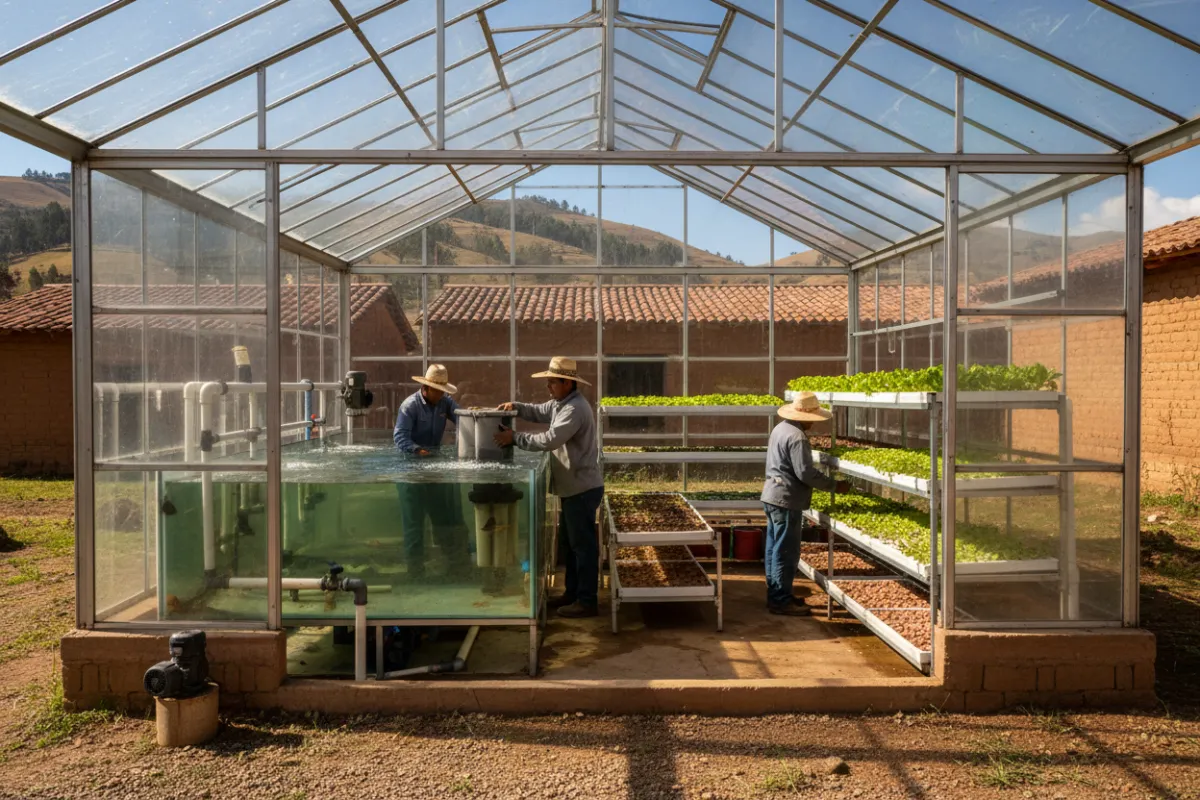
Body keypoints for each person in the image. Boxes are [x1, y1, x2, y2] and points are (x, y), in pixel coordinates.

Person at [493, 357, 604, 619]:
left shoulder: (574, 409)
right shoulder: (560, 404)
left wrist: (515, 439)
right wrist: (516, 407)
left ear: (568, 383)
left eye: (552, 382)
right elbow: (539, 411)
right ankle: (572, 594)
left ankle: (587, 601)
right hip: (572, 488)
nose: (549, 387)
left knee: (583, 546)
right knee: (571, 545)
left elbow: (551, 439)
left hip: (581, 488)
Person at [761, 391, 851, 616]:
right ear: (806, 417)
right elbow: (805, 473)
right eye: (813, 419)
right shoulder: (798, 437)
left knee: (774, 548)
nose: (814, 424)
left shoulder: (780, 428)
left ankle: (777, 595)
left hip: (772, 495)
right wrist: (834, 485)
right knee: (786, 551)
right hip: (787, 498)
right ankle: (781, 601)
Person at [394, 365, 469, 581]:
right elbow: (400, 437)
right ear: (425, 388)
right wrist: (418, 450)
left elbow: (462, 418)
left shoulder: (446, 403)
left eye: (443, 390)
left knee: (443, 519)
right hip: (411, 472)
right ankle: (415, 573)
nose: (441, 394)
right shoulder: (409, 406)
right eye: (437, 390)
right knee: (414, 524)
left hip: (434, 470)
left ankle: (453, 568)